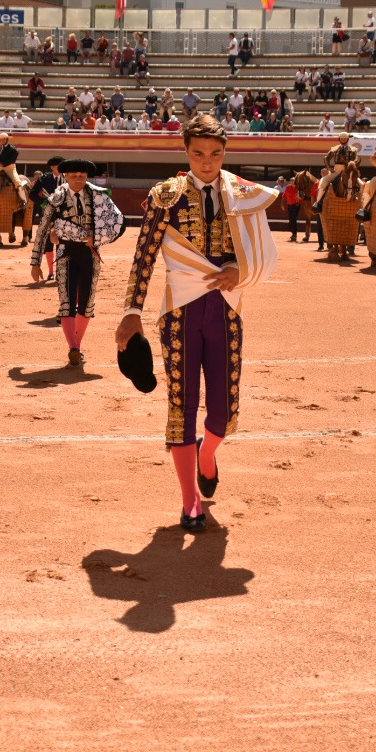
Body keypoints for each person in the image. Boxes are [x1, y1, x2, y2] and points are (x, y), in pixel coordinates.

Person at [115, 115, 280, 532]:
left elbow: (259, 254)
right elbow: (144, 256)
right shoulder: (166, 195)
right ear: (186, 152)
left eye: (216, 154)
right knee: (181, 405)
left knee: (223, 410)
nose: (208, 162)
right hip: (181, 312)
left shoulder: (241, 193)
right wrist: (131, 312)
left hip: (226, 308)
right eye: (199, 154)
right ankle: (190, 500)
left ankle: (208, 455)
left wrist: (238, 273)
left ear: (225, 153)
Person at [29, 158, 125, 367]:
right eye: (73, 176)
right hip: (65, 253)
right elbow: (43, 229)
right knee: (67, 302)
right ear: (66, 177)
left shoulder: (99, 196)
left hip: (90, 252)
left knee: (88, 303)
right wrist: (35, 262)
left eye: (82, 176)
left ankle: (76, 345)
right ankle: (75, 348)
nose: (78, 179)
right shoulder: (56, 198)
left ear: (87, 176)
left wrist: (97, 237)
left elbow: (119, 222)